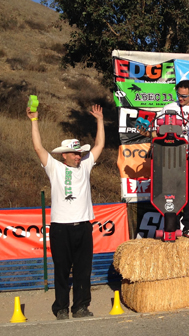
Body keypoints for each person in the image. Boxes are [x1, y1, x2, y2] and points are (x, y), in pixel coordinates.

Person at [27, 104, 105, 320]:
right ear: (65, 156)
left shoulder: (87, 165)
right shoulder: (55, 168)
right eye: (75, 154)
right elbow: (38, 148)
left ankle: (80, 307)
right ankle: (61, 308)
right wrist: (34, 120)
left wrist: (99, 120)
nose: (79, 156)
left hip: (83, 225)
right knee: (61, 270)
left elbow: (99, 145)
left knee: (83, 270)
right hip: (61, 227)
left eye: (80, 153)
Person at [138, 80, 189, 238]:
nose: (181, 98)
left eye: (184, 96)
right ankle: (172, 226)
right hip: (170, 154)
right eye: (179, 95)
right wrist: (148, 135)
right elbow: (158, 132)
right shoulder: (168, 108)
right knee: (171, 190)